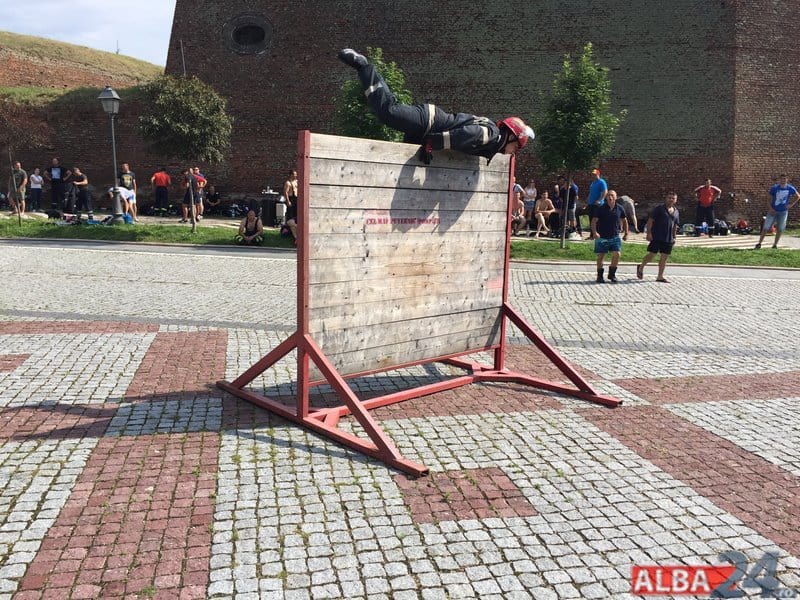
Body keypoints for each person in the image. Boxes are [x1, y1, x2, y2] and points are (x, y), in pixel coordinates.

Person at [337, 48, 534, 163]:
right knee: (388, 112)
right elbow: (467, 134)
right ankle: (364, 66)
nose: (514, 152)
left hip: (426, 133)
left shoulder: (493, 142)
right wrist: (433, 143)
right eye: (516, 147)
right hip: (428, 121)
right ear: (510, 135)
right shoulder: (492, 134)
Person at [637, 191, 680, 283]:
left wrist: (674, 237)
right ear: (666, 198)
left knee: (664, 257)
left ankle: (660, 276)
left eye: (673, 198)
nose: (671, 200)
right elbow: (650, 221)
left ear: (676, 200)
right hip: (657, 236)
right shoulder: (659, 209)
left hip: (668, 238)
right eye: (669, 198)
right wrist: (649, 233)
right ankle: (641, 267)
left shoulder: (676, 211)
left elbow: (675, 225)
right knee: (652, 254)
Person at [590, 190, 628, 283]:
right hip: (602, 236)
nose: (610, 197)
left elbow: (624, 220)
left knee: (617, 254)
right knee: (601, 256)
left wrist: (626, 233)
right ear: (606, 198)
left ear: (616, 197)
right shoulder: (601, 208)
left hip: (615, 236)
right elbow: (594, 221)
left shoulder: (620, 208)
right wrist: (594, 232)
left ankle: (612, 274)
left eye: (612, 195)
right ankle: (599, 276)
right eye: (608, 195)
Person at [754, 174, 799, 249]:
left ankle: (775, 244)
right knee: (766, 227)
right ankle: (759, 243)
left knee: (780, 229)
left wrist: (791, 204)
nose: (783, 180)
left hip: (783, 212)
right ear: (779, 180)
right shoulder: (774, 188)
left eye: (784, 179)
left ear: (787, 180)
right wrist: (770, 208)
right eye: (781, 179)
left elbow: (798, 196)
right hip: (773, 211)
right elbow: (768, 199)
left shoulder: (790, 188)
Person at [585, 168, 608, 238]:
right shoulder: (593, 183)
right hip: (591, 204)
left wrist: (600, 200)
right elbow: (591, 192)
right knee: (591, 219)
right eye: (592, 174)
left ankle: (598, 234)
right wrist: (588, 199)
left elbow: (605, 191)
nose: (593, 176)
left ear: (598, 174)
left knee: (596, 220)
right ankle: (592, 235)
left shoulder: (601, 182)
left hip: (597, 205)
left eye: (595, 174)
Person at [284, 169, 299, 243]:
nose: (295, 175)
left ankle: (297, 233)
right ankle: (296, 237)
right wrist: (288, 201)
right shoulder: (288, 183)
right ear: (290, 175)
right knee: (290, 219)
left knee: (297, 217)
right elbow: (285, 192)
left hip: (296, 200)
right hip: (291, 200)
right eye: (294, 174)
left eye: (296, 174)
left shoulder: (297, 182)